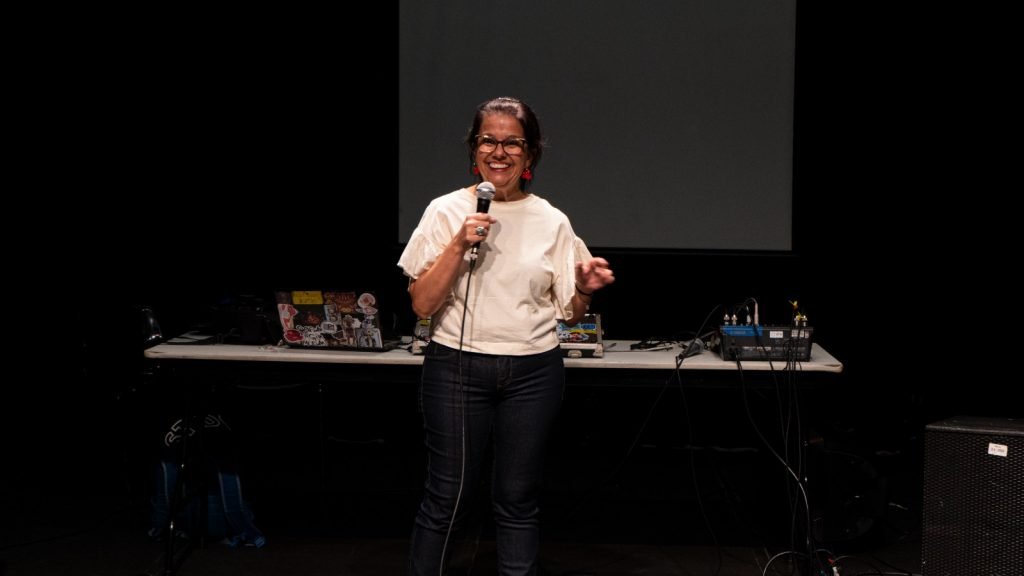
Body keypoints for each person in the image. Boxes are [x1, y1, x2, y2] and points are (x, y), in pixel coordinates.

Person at [397, 96, 614, 575]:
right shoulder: (445, 210)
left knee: (516, 498)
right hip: (455, 366)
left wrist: (583, 288)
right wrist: (458, 243)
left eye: (512, 143)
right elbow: (422, 304)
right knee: (446, 496)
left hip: (533, 371)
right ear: (474, 151)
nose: (499, 152)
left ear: (530, 153)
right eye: (488, 141)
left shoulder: (552, 220)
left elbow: (570, 309)